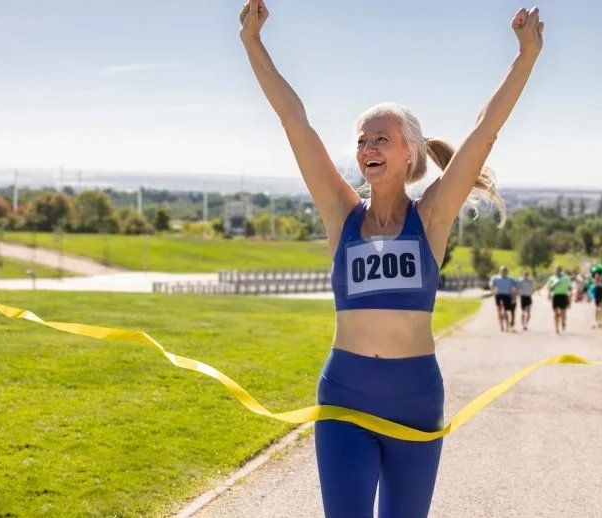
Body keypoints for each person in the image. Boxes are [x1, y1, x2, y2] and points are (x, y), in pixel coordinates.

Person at [239, 2, 544, 516]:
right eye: (362, 140)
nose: (368, 147)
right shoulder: (342, 213)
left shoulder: (431, 217)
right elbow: (295, 122)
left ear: (409, 153)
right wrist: (253, 42)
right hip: (344, 396)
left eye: (381, 137)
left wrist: (526, 57)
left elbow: (483, 132)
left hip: (414, 400)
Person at [490, 266, 519, 332]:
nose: (503, 273)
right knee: (499, 310)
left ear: (507, 272)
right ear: (500, 272)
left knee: (505, 311)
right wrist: (493, 291)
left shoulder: (510, 279)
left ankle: (507, 325)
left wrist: (515, 294)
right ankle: (501, 325)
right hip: (499, 295)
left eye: (505, 271)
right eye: (502, 271)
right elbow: (491, 285)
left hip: (507, 295)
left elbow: (516, 287)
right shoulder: (495, 278)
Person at [545, 265, 571, 333]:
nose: (557, 271)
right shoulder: (552, 278)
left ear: (561, 270)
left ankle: (563, 322)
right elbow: (548, 287)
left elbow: (569, 287)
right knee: (555, 313)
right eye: (556, 270)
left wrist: (570, 296)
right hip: (555, 296)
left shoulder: (566, 278)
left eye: (559, 270)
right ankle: (556, 327)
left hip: (563, 295)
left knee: (563, 313)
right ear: (554, 271)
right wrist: (549, 293)